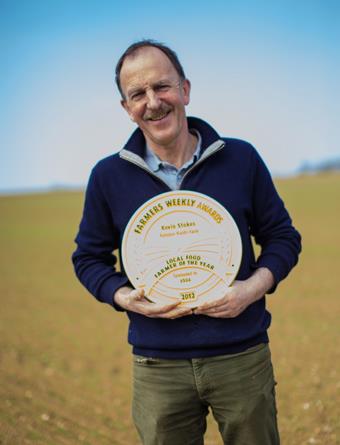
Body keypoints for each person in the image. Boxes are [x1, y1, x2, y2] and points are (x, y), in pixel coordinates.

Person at [72, 39, 301, 445]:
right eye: (137, 94)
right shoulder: (107, 177)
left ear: (185, 90)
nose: (153, 102)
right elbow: (88, 258)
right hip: (157, 365)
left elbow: (283, 238)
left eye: (162, 86)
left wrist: (251, 289)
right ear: (127, 108)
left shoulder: (241, 159)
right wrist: (125, 297)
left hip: (242, 358)